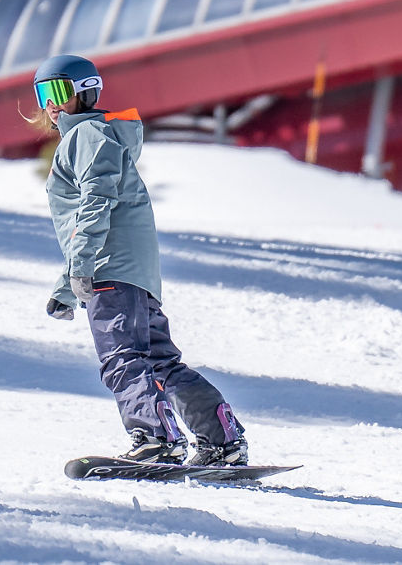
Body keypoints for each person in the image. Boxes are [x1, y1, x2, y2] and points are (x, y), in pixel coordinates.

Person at [33, 54, 250, 466]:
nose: (51, 103)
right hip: (132, 272)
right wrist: (66, 285)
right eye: (44, 93)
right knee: (159, 362)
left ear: (86, 92)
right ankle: (220, 438)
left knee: (122, 358)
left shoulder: (86, 136)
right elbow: (90, 217)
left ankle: (155, 438)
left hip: (109, 270)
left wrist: (80, 268)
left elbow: (95, 204)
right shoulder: (100, 136)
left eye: (59, 91)